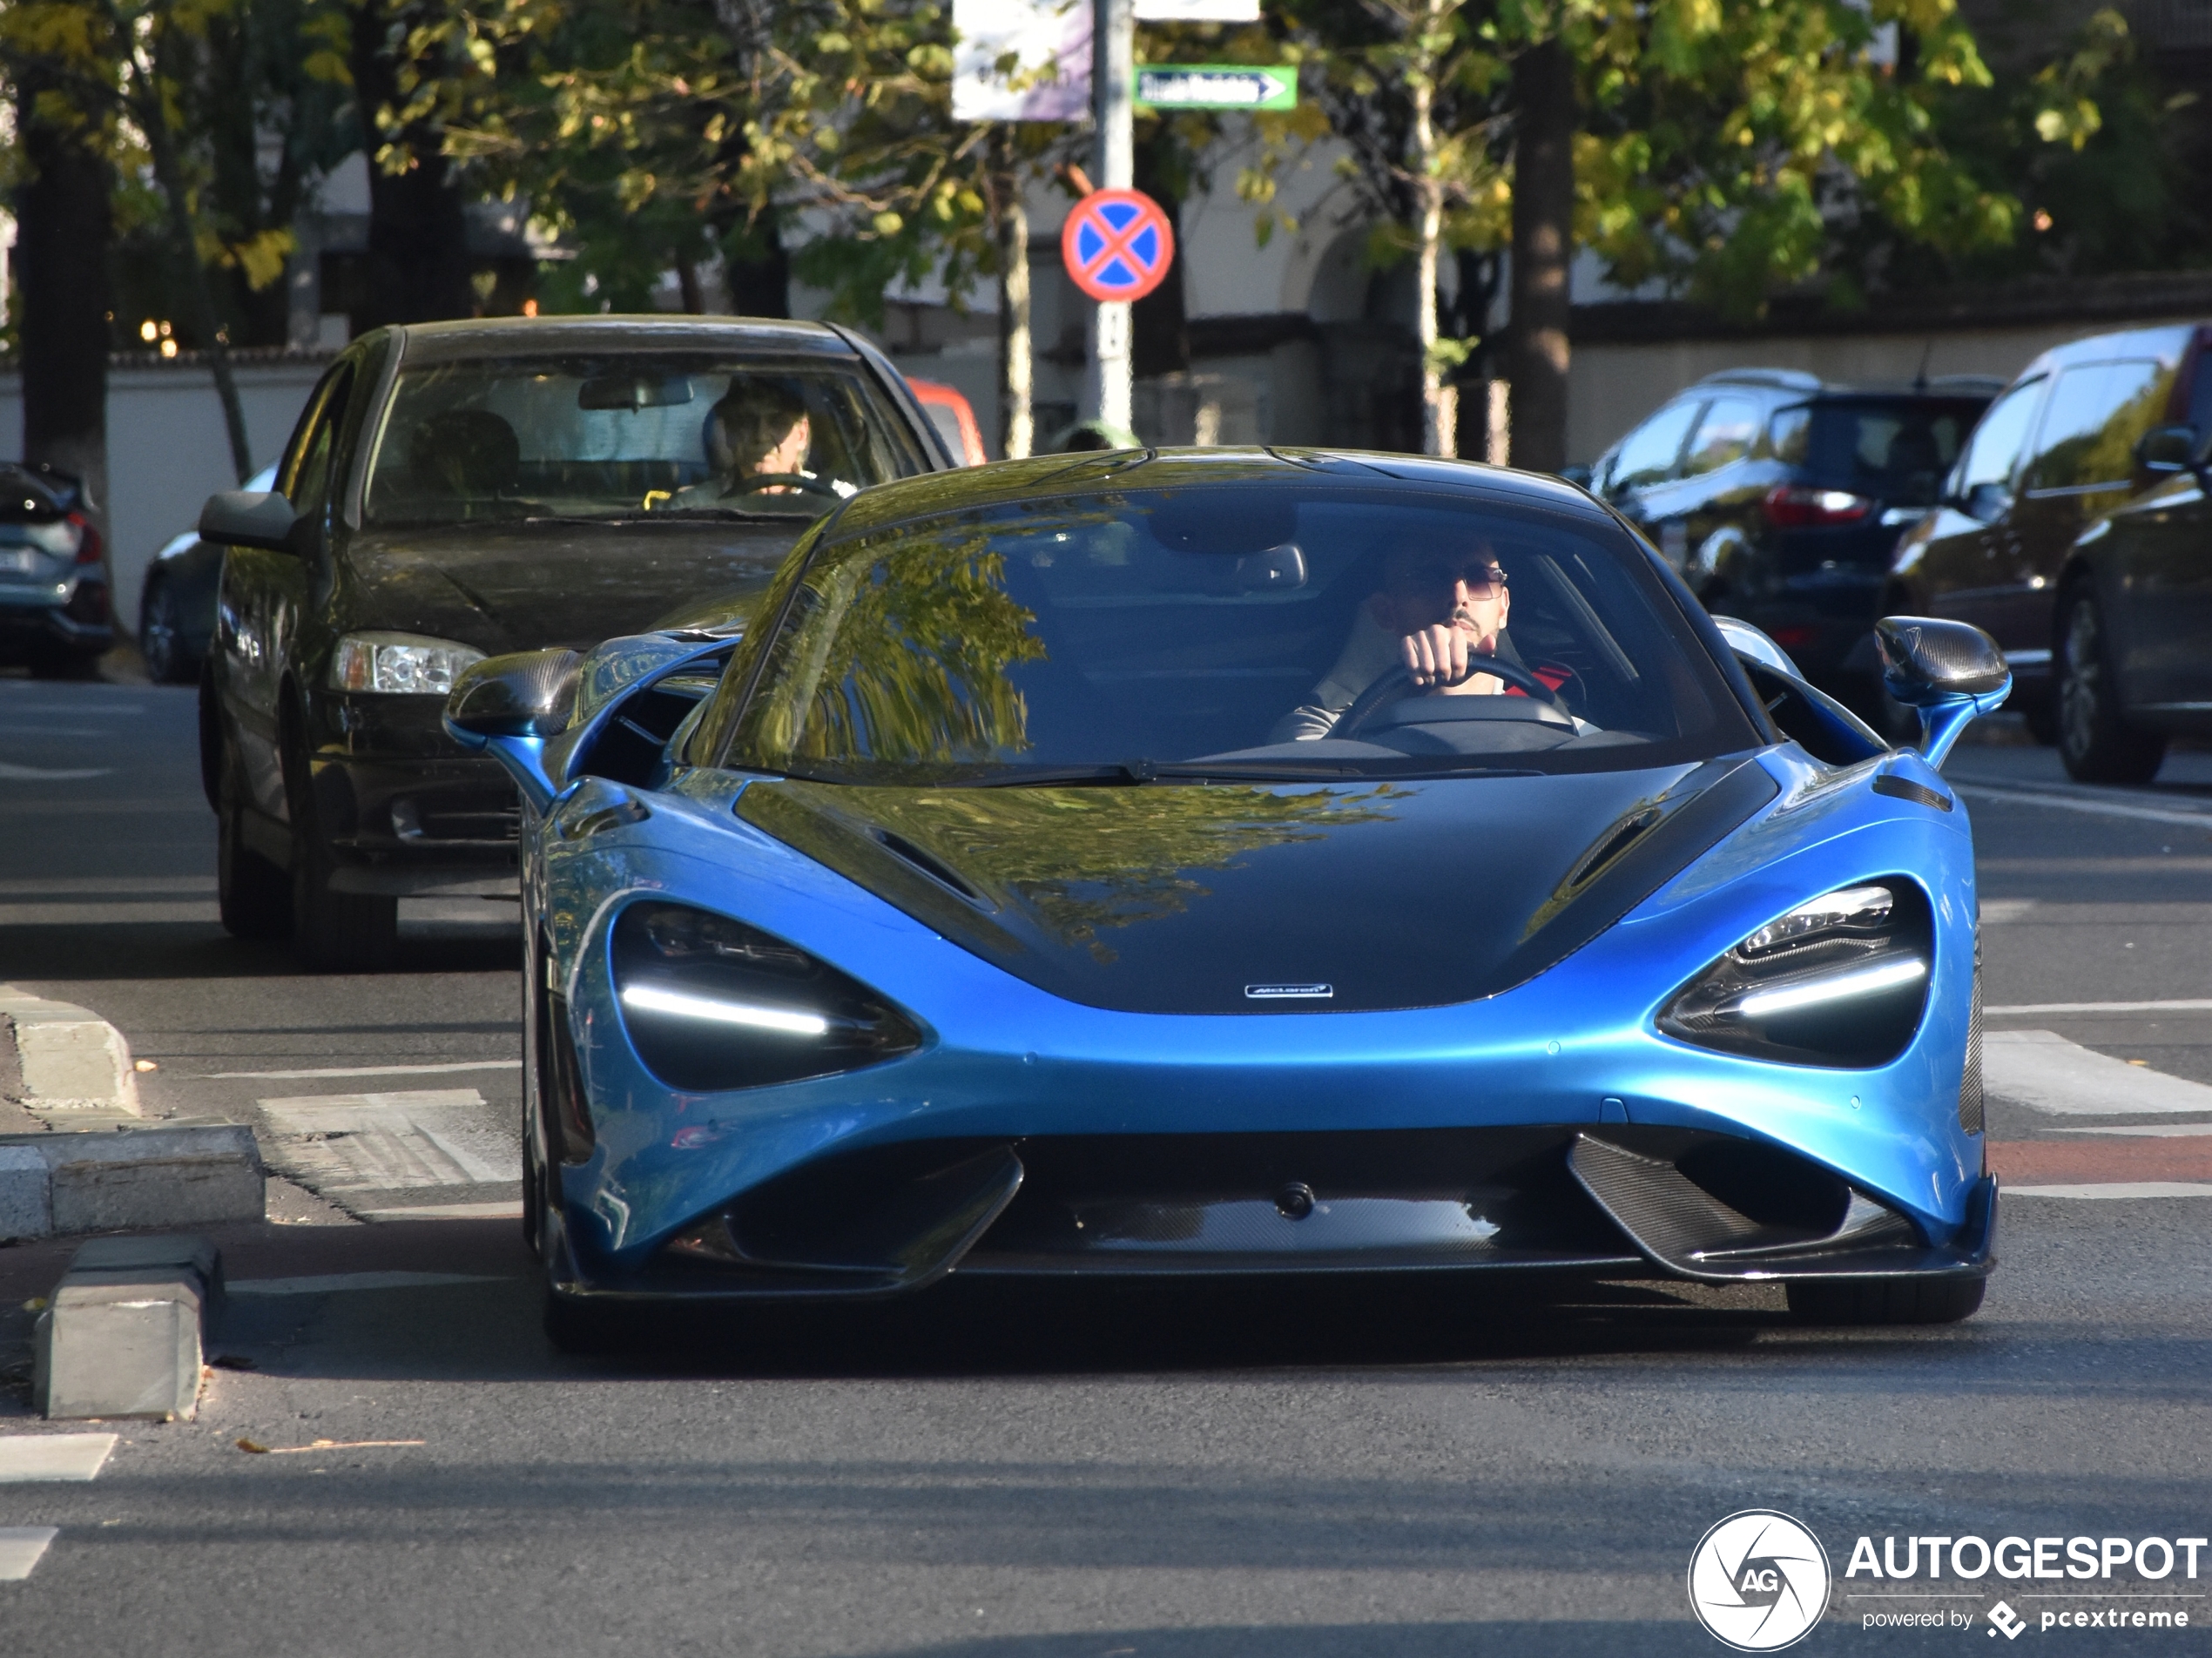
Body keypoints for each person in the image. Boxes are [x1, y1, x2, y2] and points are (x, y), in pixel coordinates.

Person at [1271, 542, 1518, 742]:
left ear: (1503, 607)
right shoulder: (1319, 729)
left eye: (1480, 578)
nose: (1458, 596)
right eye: (1429, 578)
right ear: (1387, 613)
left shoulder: (1547, 717)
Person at [667, 381, 848, 506]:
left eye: (777, 422)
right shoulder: (693, 510)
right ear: (730, 434)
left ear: (801, 435)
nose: (761, 436)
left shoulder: (843, 502)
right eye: (746, 422)